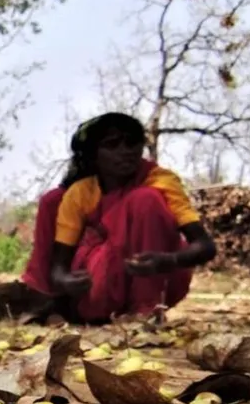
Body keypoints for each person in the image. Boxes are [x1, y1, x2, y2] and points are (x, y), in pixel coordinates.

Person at [21, 112, 216, 322]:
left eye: (132, 143)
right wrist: (65, 281)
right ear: (94, 155)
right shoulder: (80, 193)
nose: (125, 152)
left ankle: (146, 311)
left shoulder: (161, 181)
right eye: (112, 145)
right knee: (53, 201)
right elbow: (59, 265)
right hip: (98, 281)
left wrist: (168, 260)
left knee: (146, 199)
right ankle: (55, 304)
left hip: (161, 275)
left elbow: (205, 246)